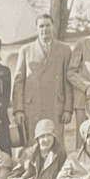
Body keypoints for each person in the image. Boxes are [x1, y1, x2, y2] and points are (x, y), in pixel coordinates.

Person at [12, 14, 73, 152]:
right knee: (32, 145)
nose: (44, 29)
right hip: (32, 108)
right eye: (41, 26)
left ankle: (56, 172)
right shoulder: (26, 50)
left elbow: (68, 81)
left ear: (53, 27)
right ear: (36, 29)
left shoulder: (65, 50)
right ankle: (33, 172)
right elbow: (18, 81)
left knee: (56, 144)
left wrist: (68, 109)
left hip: (55, 107)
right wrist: (18, 109)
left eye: (47, 25)